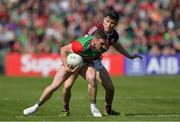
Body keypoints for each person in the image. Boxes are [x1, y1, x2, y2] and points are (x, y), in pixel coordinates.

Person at [62, 8, 143, 116]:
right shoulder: (95, 29)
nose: (109, 25)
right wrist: (77, 60)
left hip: (95, 60)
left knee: (110, 88)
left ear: (116, 24)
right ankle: (65, 109)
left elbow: (116, 45)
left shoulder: (114, 35)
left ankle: (108, 111)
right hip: (81, 58)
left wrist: (129, 56)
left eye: (112, 23)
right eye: (107, 21)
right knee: (67, 86)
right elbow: (84, 43)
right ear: (104, 19)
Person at [23, 29, 109, 117]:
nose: (104, 46)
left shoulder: (104, 47)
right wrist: (65, 66)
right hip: (72, 63)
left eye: (104, 43)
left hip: (85, 64)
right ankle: (36, 106)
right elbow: (63, 49)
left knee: (92, 78)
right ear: (94, 41)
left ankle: (93, 107)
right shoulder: (79, 45)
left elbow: (95, 56)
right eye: (101, 44)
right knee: (56, 86)